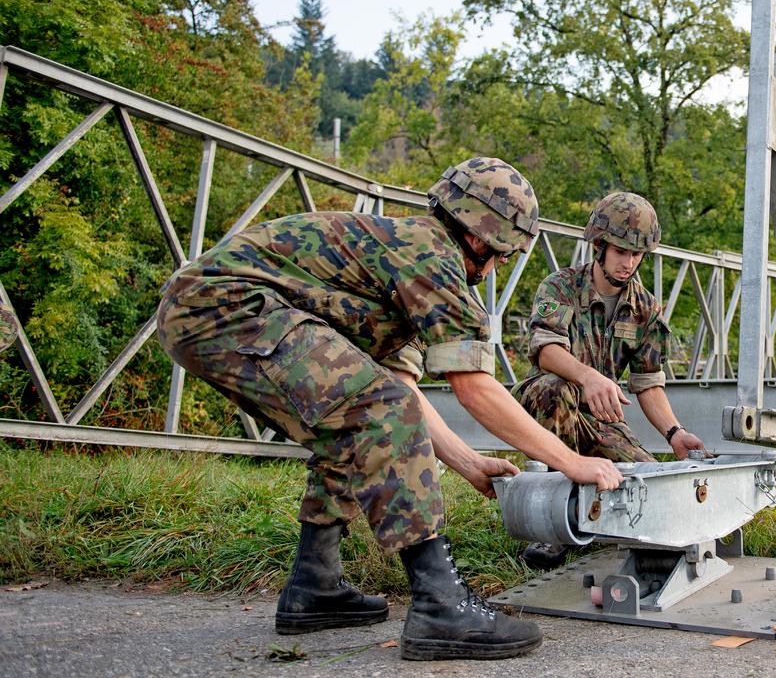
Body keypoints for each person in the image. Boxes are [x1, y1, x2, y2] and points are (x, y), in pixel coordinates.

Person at [155, 157, 624, 661]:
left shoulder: (400, 257)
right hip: (226, 307)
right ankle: (440, 606)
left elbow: (401, 389)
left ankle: (314, 586)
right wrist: (570, 462)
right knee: (379, 410)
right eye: (502, 257)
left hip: (207, 309)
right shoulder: (431, 256)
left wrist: (467, 462)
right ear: (485, 240)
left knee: (355, 419)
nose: (493, 270)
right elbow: (474, 388)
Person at [511, 192, 706, 569]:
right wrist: (589, 378)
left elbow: (648, 383)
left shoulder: (646, 307)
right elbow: (545, 351)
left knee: (655, 489)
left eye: (637, 255)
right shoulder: (561, 286)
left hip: (602, 422)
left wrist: (674, 433)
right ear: (598, 246)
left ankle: (597, 513)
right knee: (550, 388)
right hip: (553, 409)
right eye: (621, 252)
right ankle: (552, 527)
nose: (628, 262)